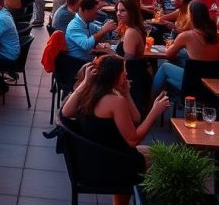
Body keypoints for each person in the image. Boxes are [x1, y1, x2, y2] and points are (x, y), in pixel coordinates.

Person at [61, 56, 171, 205]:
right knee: (163, 159)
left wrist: (126, 93)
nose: (126, 74)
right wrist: (154, 112)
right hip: (109, 165)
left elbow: (136, 119)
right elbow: (133, 140)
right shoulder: (114, 101)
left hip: (95, 158)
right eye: (124, 70)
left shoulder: (91, 93)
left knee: (153, 152)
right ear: (114, 74)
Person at [151, 1, 219, 95]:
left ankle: (152, 103)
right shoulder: (218, 37)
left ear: (191, 16)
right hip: (213, 82)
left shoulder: (186, 36)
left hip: (193, 82)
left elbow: (168, 55)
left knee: (164, 66)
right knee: (172, 64)